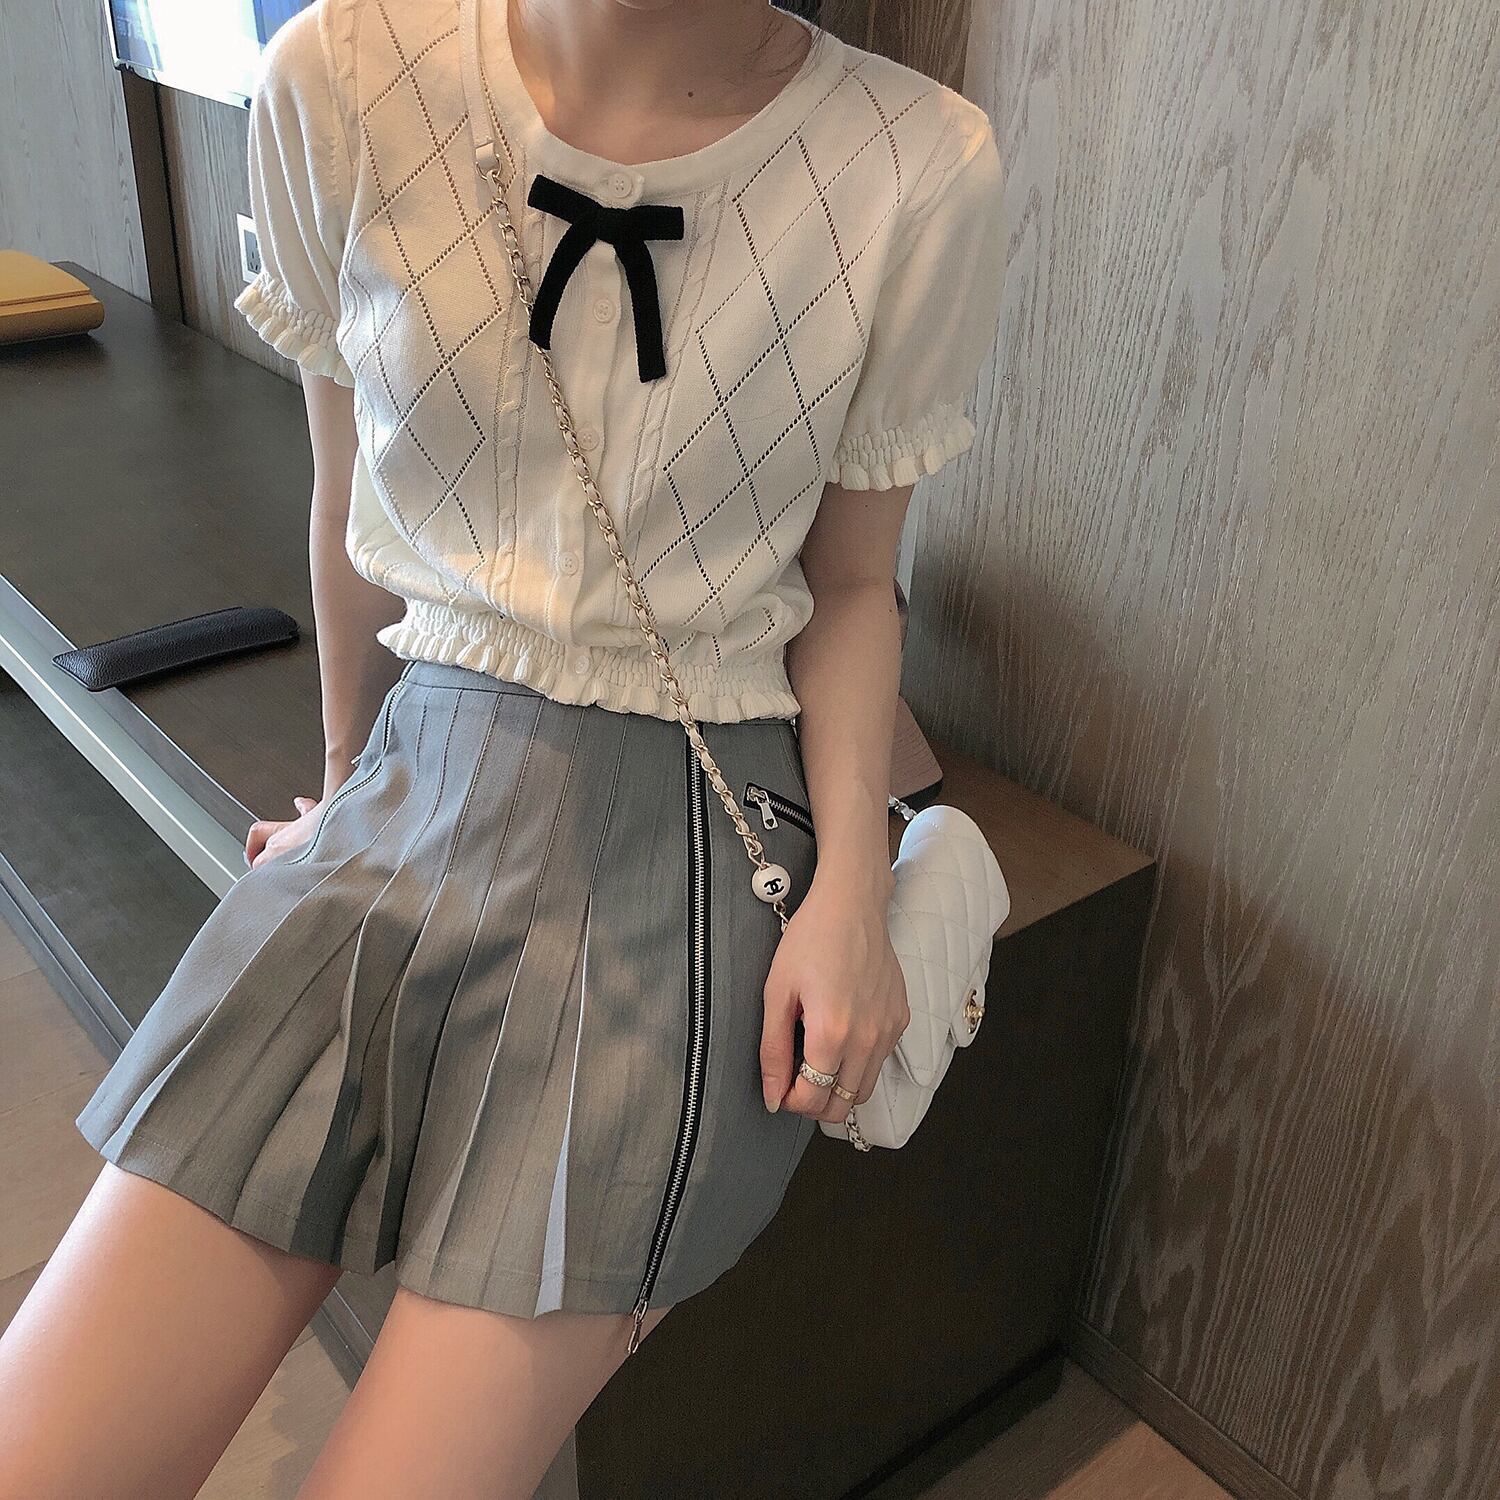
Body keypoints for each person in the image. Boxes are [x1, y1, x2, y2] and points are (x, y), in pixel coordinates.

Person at [0, 0, 1004, 1494]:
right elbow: (349, 507)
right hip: (414, 787)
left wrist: (852, 889)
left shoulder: (914, 162)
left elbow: (855, 584)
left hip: (686, 851)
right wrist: (344, 788)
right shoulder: (339, 73)